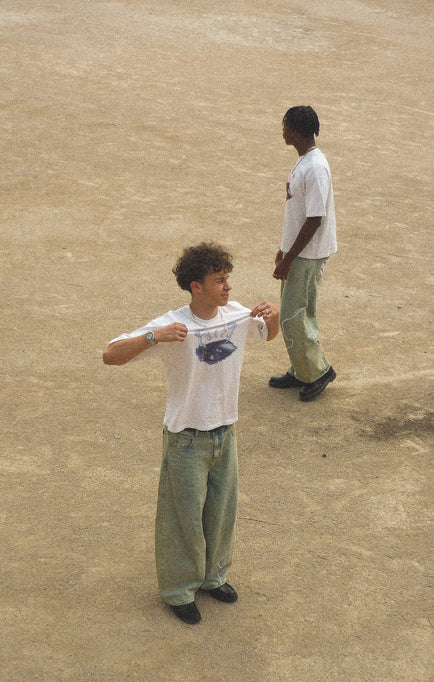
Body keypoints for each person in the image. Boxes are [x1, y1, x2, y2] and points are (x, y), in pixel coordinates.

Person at [103, 243, 279, 625]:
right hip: (185, 439)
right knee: (182, 518)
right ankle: (179, 590)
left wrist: (275, 316)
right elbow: (110, 355)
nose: (229, 287)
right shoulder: (172, 325)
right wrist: (155, 337)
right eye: (220, 280)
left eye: (228, 278)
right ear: (196, 287)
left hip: (225, 432)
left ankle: (214, 577)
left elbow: (268, 335)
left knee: (221, 512)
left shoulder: (236, 314)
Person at [270, 105, 337, 402]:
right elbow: (297, 213)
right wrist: (283, 249)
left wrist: (290, 258)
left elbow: (314, 219)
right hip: (298, 252)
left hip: (308, 255)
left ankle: (319, 371)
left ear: (296, 131)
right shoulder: (304, 161)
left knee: (296, 315)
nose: (282, 130)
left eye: (285, 125)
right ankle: (301, 369)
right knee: (291, 315)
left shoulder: (316, 167)